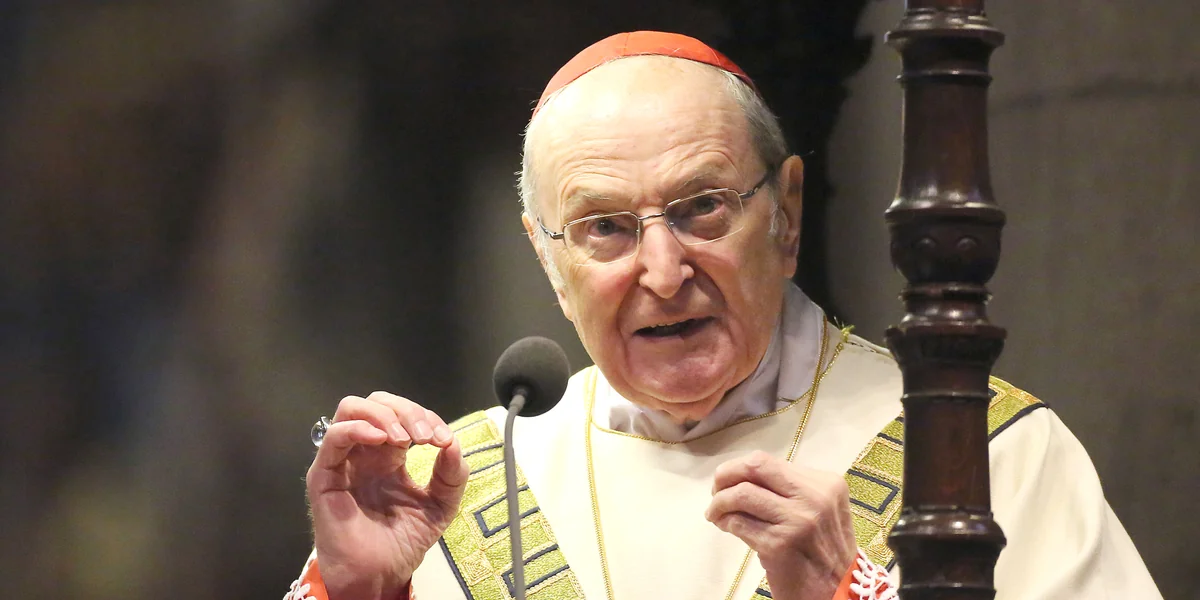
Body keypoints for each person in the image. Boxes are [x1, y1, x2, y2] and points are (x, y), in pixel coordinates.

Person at [283, 31, 1161, 600]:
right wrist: (354, 594)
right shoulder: (450, 491)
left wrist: (851, 593)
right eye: (604, 228)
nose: (664, 273)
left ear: (786, 214)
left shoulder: (979, 451)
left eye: (702, 208)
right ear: (548, 261)